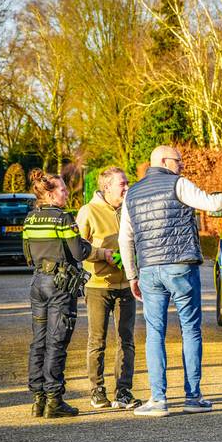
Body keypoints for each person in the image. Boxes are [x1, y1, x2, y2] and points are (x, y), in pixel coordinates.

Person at [119, 145, 222, 417]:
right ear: (165, 162)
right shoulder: (178, 184)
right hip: (179, 266)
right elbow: (214, 204)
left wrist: (132, 274)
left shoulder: (132, 193)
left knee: (154, 333)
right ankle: (192, 397)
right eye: (178, 161)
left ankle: (158, 400)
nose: (182, 165)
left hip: (149, 270)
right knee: (190, 330)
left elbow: (125, 238)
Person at [22, 170, 95, 419]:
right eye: (63, 190)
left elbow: (27, 255)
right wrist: (87, 244)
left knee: (38, 341)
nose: (66, 193)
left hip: (38, 283)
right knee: (57, 340)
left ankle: (37, 399)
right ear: (51, 194)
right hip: (60, 285)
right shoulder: (63, 219)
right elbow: (77, 252)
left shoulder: (30, 219)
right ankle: (55, 400)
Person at [77, 167, 139, 410]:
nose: (126, 187)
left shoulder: (129, 209)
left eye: (127, 183)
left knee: (127, 340)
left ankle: (123, 391)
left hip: (126, 284)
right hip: (98, 286)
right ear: (107, 188)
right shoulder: (88, 212)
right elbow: (77, 247)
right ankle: (97, 390)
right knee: (97, 340)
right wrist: (103, 255)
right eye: (122, 184)